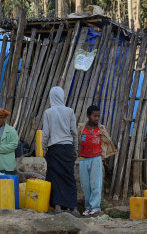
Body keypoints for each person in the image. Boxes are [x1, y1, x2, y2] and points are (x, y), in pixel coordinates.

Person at [41, 86, 79, 215]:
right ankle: (73, 207)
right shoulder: (69, 111)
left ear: (51, 97)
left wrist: (43, 148)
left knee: (55, 177)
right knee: (69, 176)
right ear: (62, 96)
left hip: (54, 149)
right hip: (68, 148)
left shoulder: (48, 112)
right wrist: (75, 148)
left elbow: (45, 133)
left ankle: (57, 207)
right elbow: (74, 132)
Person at [78, 105, 116, 216]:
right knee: (85, 185)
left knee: (96, 184)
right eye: (95, 116)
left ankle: (95, 207)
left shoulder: (101, 129)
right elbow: (78, 141)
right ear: (88, 116)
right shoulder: (81, 129)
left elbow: (107, 142)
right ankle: (87, 207)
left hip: (96, 159)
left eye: (98, 116)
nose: (97, 118)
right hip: (83, 159)